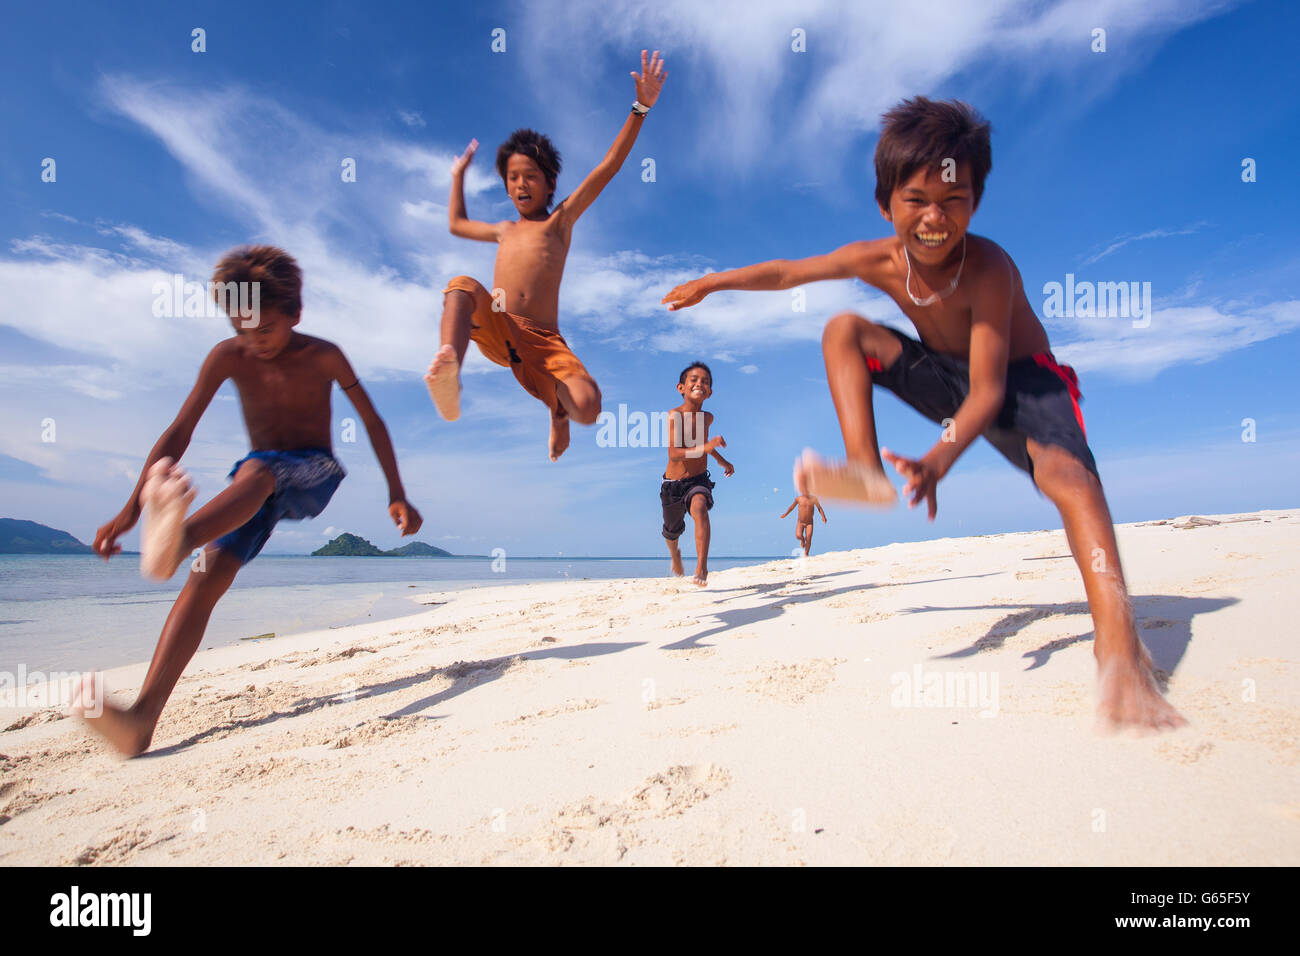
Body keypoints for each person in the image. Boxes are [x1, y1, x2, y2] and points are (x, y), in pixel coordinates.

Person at [661, 97, 1184, 732]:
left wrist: (938, 460)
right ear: (887, 205)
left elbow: (989, 393)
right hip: (940, 371)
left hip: (1023, 385)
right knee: (842, 331)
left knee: (1071, 482)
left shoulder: (988, 267)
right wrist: (715, 282)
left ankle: (1120, 646)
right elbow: (788, 272)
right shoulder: (877, 259)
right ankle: (865, 471)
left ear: (975, 202)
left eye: (954, 199)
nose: (935, 217)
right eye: (916, 200)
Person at [77, 245, 422, 755]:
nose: (254, 342)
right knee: (205, 575)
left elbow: (371, 419)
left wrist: (397, 492)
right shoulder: (226, 356)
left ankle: (178, 539)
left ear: (295, 315)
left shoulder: (323, 354)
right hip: (254, 481)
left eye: (265, 330)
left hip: (314, 472)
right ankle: (141, 721)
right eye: (242, 330)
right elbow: (180, 430)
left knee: (258, 472)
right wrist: (130, 509)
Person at [426, 50, 667, 461]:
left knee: (588, 408)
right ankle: (449, 366)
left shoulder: (560, 222)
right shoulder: (504, 231)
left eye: (530, 176)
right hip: (502, 327)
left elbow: (607, 168)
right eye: (513, 178)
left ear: (550, 182)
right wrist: (457, 176)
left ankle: (558, 413)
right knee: (461, 286)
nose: (521, 185)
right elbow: (456, 223)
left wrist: (640, 107)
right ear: (505, 186)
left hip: (546, 341)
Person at [661, 363, 734, 586]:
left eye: (705, 381)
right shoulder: (675, 415)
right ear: (681, 387)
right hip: (673, 484)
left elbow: (702, 444)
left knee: (700, 507)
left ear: (709, 392)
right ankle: (676, 556)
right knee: (672, 531)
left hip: (698, 480)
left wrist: (723, 461)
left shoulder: (707, 417)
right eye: (694, 380)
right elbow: (674, 453)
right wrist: (708, 446)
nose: (699, 383)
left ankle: (702, 566)